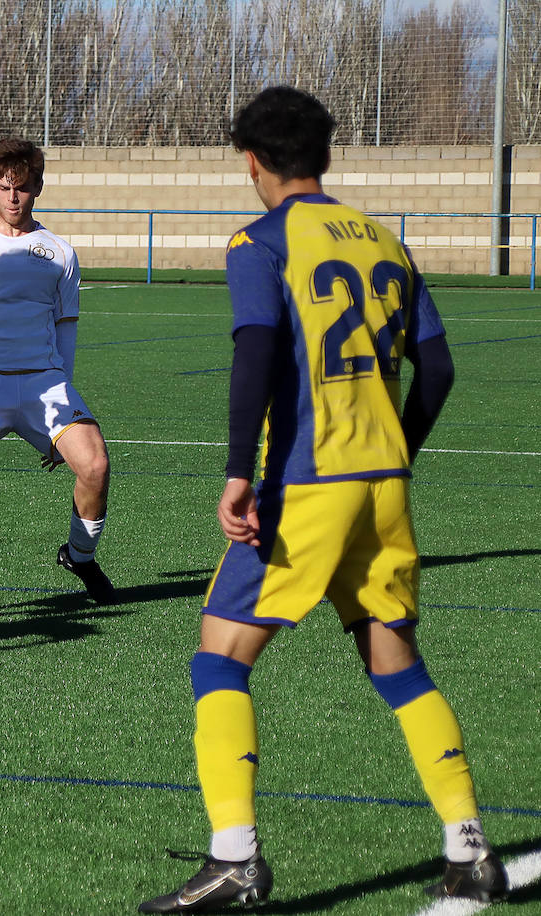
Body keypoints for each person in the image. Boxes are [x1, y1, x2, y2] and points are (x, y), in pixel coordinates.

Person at [138, 86, 506, 912]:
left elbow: (256, 354)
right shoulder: (383, 241)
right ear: (327, 155)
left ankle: (234, 858)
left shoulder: (261, 241)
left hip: (309, 482)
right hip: (384, 484)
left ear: (252, 160)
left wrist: (240, 470)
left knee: (218, 656)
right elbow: (438, 370)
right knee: (394, 660)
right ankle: (469, 847)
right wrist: (394, 452)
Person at [0, 137, 116, 614]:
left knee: (95, 467)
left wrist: (62, 394)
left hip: (42, 381)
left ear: (38, 189)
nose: (13, 197)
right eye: (5, 186)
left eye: (23, 189)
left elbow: (65, 328)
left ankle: (79, 556)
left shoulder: (59, 252)